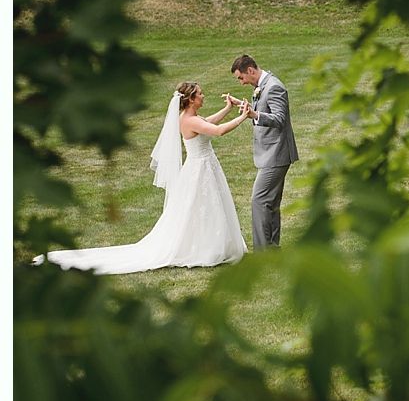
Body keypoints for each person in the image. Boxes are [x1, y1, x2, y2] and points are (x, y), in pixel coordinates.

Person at [34, 82, 250, 274]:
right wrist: (242, 116)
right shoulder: (190, 121)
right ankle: (205, 248)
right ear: (191, 99)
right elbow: (218, 131)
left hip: (202, 167)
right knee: (201, 208)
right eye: (200, 94)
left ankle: (211, 244)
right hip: (200, 169)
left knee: (204, 209)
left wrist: (228, 108)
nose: (204, 96)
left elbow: (208, 123)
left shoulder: (189, 118)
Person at [229, 54, 299, 249]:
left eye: (241, 77)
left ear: (250, 70)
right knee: (271, 203)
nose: (241, 82)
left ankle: (262, 252)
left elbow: (279, 119)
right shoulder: (262, 86)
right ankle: (272, 248)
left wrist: (255, 114)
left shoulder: (274, 86)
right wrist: (247, 108)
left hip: (276, 154)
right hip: (271, 154)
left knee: (259, 201)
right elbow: (264, 110)